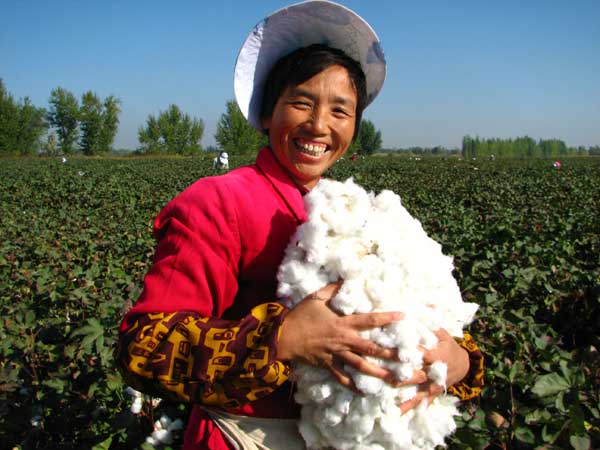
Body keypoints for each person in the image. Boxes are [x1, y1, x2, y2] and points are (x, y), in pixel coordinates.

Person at [116, 2, 484, 449]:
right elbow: (144, 349)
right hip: (243, 437)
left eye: (339, 111)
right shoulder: (216, 202)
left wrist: (457, 362)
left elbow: (429, 317)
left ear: (354, 127)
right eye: (301, 103)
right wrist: (284, 338)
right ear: (268, 113)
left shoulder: (363, 216)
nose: (318, 125)